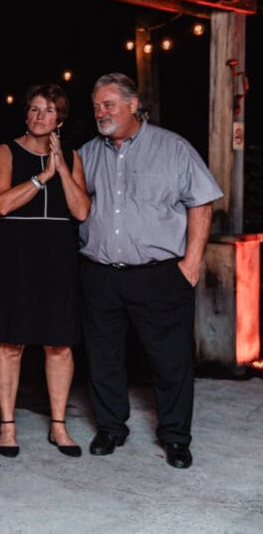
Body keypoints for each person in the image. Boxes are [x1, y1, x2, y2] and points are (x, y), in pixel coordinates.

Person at [78, 72, 222, 470]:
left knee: (170, 359)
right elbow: (72, 204)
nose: (100, 112)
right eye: (95, 106)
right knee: (103, 356)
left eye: (108, 104)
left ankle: (176, 437)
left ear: (133, 105)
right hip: (101, 273)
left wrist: (191, 263)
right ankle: (110, 428)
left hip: (159, 274)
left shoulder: (172, 147)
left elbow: (202, 203)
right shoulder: (88, 153)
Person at [0, 84, 90, 458]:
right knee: (10, 342)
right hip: (16, 253)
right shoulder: (6, 151)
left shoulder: (72, 157)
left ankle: (59, 426)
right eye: (33, 109)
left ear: (59, 118)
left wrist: (61, 169)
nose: (38, 116)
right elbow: (1, 203)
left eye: (47, 110)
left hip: (58, 254)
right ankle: (7, 426)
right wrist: (42, 177)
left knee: (59, 344)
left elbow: (81, 211)